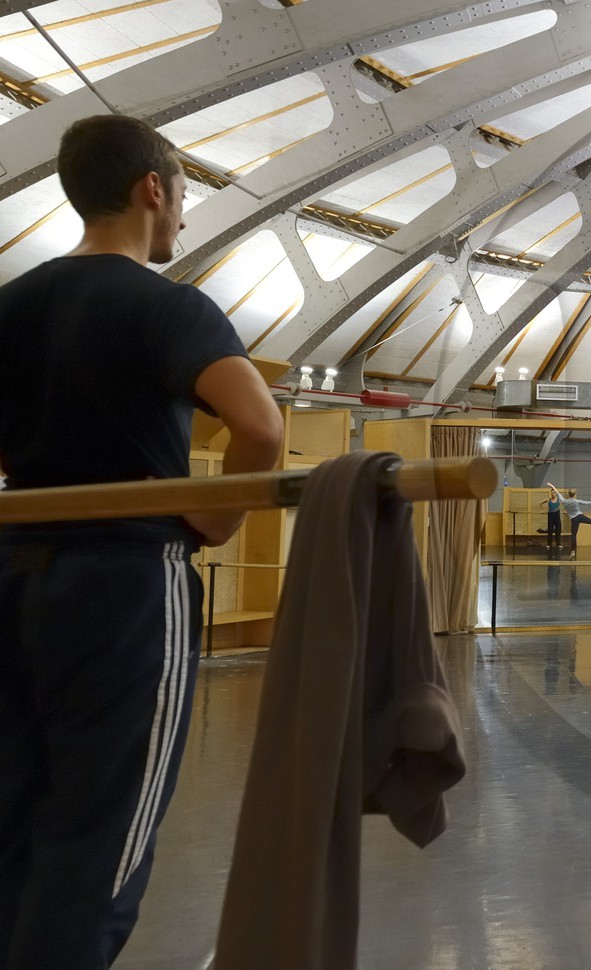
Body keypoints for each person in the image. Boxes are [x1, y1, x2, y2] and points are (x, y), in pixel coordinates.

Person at [0, 114, 285, 966]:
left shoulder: (10, 304)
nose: (185, 220)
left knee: (13, 815)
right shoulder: (167, 307)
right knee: (103, 841)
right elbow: (261, 427)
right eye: (184, 197)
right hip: (123, 586)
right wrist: (212, 515)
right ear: (150, 190)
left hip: (13, 572)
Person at [547, 483, 591, 555]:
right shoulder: (577, 501)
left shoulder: (564, 501)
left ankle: (573, 552)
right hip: (580, 516)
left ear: (568, 494)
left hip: (574, 520)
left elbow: (557, 492)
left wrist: (552, 486)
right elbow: (589, 503)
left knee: (573, 535)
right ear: (574, 494)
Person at [545, 487, 563, 552]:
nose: (553, 494)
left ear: (556, 493)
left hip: (557, 515)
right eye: (552, 493)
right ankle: (549, 544)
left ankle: (558, 544)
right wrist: (541, 510)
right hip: (550, 515)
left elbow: (565, 503)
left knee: (558, 530)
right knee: (550, 530)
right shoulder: (549, 500)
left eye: (554, 493)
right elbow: (541, 502)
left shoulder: (559, 500)